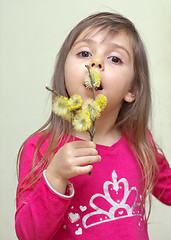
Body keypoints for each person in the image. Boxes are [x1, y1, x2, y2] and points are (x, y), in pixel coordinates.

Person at [15, 12, 171, 240]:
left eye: (115, 58)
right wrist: (56, 177)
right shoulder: (40, 148)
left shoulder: (140, 142)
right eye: (85, 53)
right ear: (64, 72)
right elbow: (29, 235)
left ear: (132, 90)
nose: (95, 63)